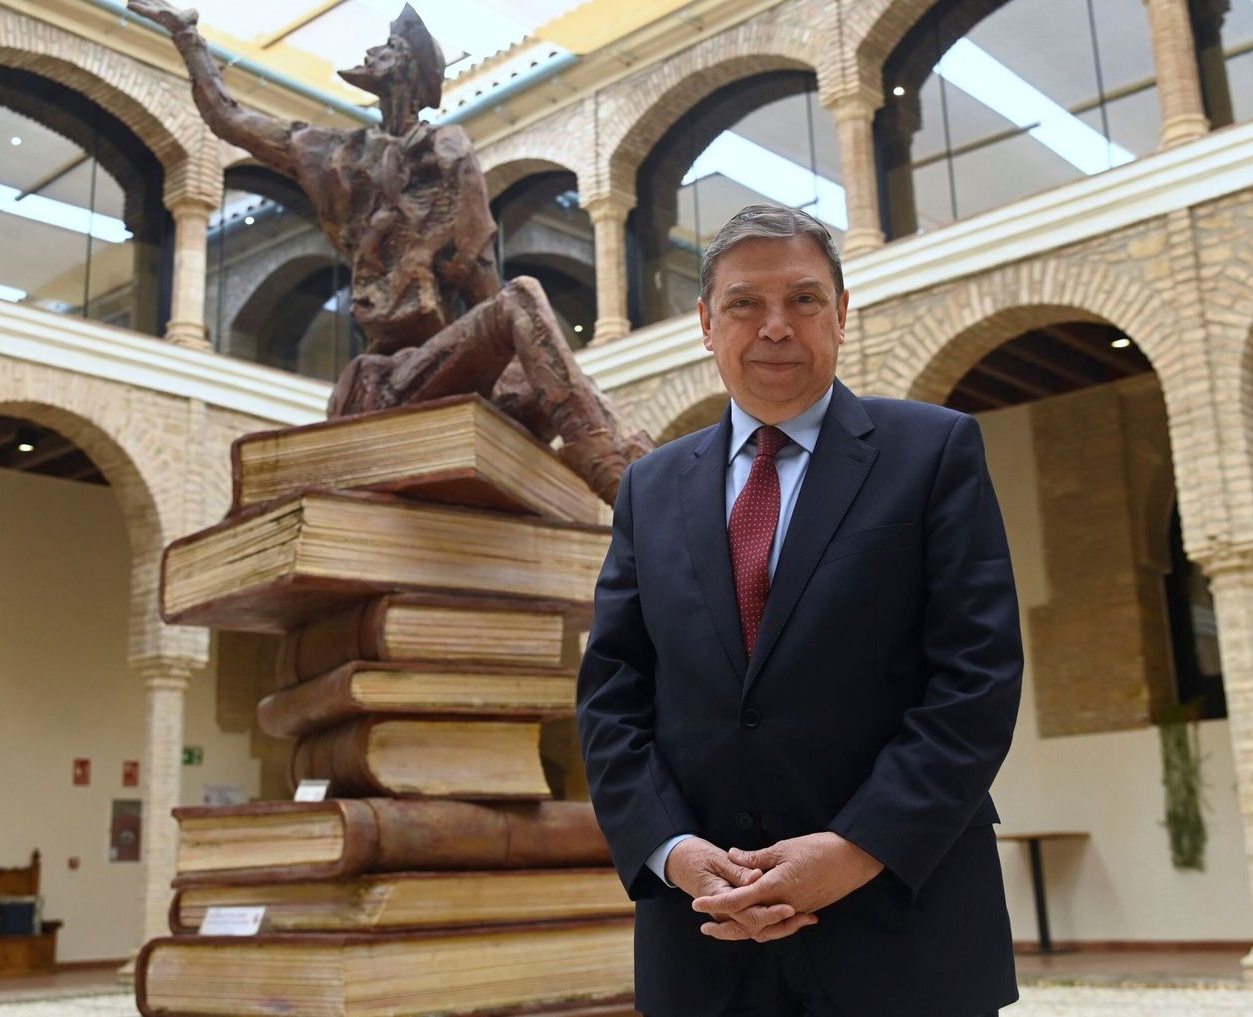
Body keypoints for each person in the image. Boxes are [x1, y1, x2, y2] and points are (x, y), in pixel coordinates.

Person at [576, 203, 1022, 1017]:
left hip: (903, 937)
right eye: (745, 303)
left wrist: (856, 849)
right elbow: (612, 696)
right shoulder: (651, 487)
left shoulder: (935, 452)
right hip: (704, 942)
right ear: (706, 324)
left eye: (805, 299)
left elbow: (977, 680)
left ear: (843, 314)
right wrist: (673, 852)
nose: (775, 326)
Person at [126, 1, 650, 502]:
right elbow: (230, 118)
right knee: (525, 303)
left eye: (388, 46)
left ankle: (624, 479)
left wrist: (521, 371)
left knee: (552, 364)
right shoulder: (337, 154)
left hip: (450, 364)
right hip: (392, 380)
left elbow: (481, 280)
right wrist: (187, 35)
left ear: (407, 68)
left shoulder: (448, 152)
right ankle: (611, 471)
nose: (372, 52)